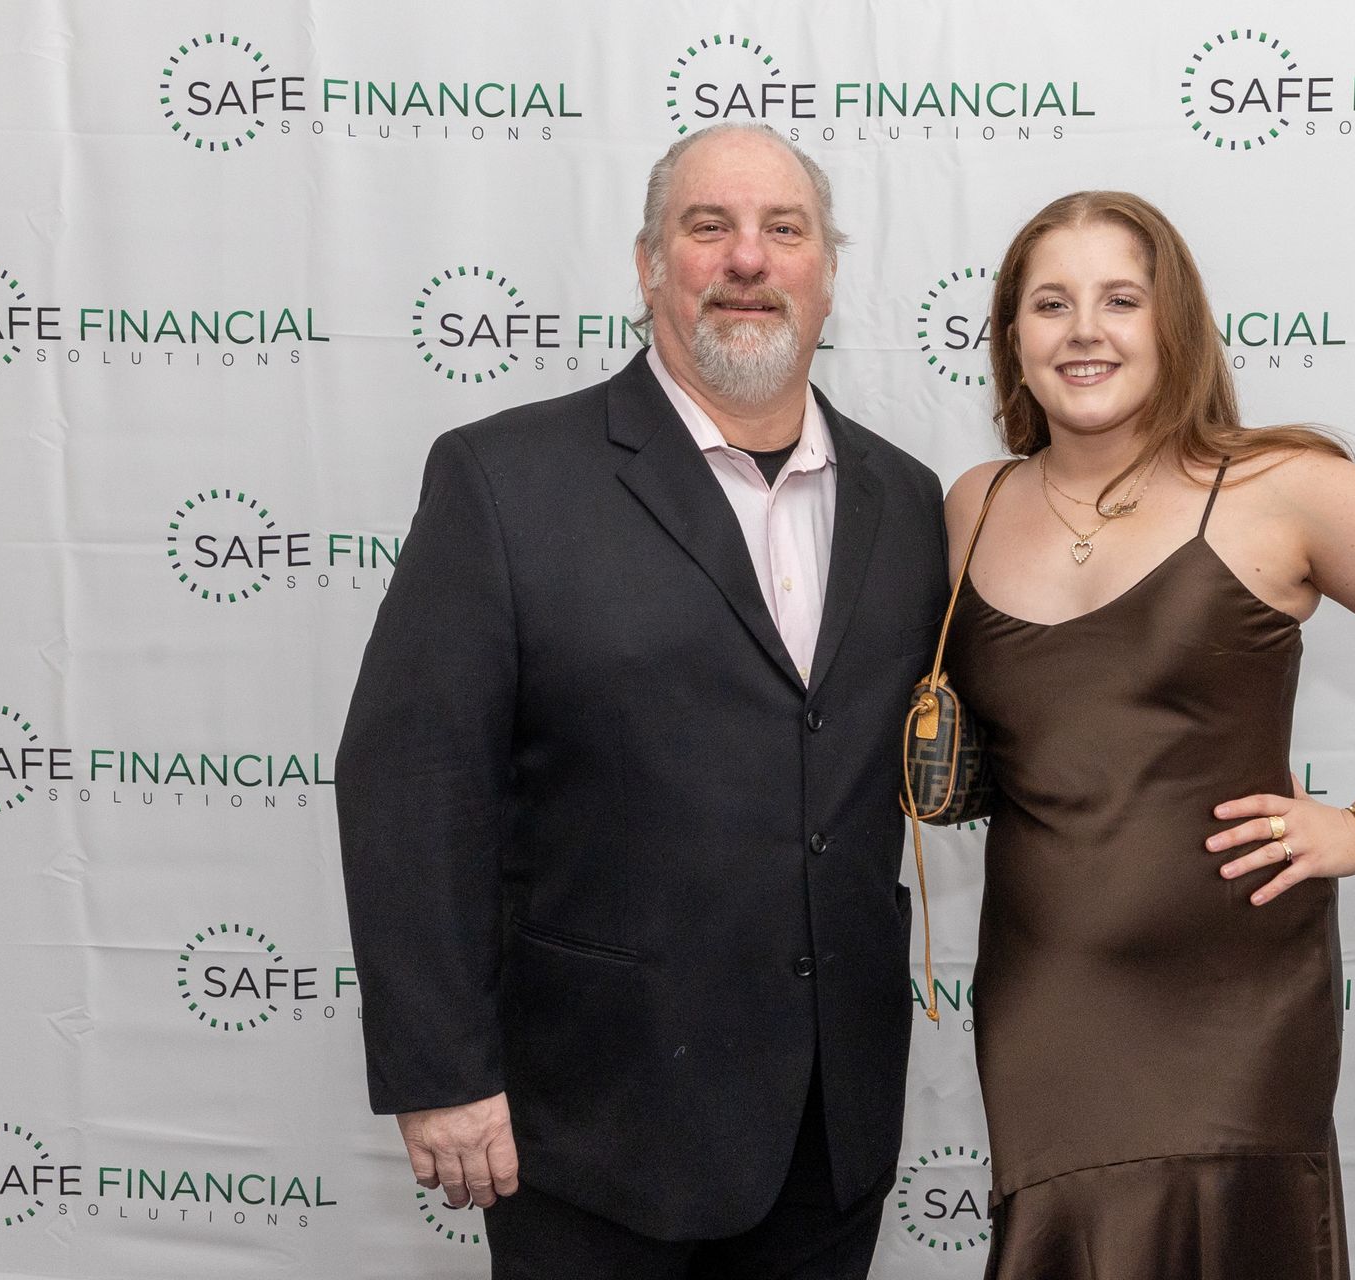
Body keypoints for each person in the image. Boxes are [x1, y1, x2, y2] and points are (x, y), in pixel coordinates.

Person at [335, 123, 948, 1279]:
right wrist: (442, 1070)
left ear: (829, 268)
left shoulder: (908, 501)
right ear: (648, 263)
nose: (748, 259)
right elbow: (412, 780)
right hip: (594, 1127)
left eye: (786, 229)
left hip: (831, 1129)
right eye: (707, 226)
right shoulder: (504, 479)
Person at [940, 191, 1355, 1278]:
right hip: (1048, 997)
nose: (1086, 329)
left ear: (1174, 322)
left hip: (1235, 999)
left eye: (1121, 298)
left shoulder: (1280, 486)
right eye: (1051, 302)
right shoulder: (973, 504)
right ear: (1011, 337)